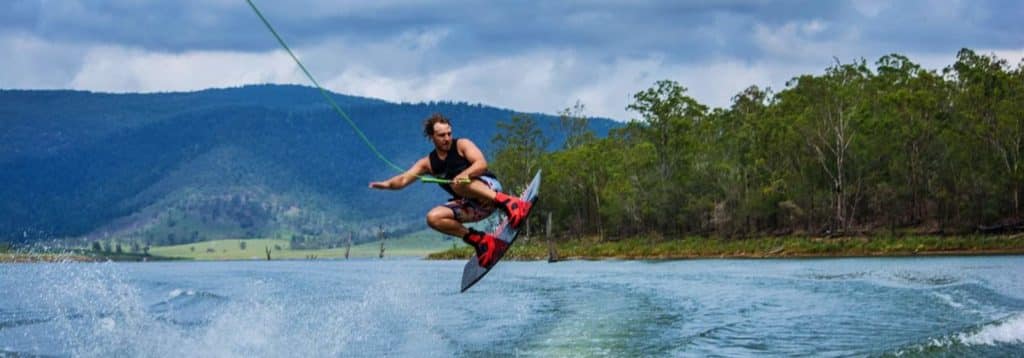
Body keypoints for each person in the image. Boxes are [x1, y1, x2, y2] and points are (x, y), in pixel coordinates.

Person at [368, 113, 531, 267]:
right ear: (431, 137)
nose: (447, 138)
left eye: (449, 133)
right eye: (441, 135)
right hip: (473, 206)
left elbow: (481, 164)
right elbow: (403, 180)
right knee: (433, 217)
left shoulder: (462, 145)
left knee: (457, 184)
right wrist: (386, 185)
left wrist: (464, 175)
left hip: (489, 190)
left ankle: (511, 204)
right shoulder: (428, 164)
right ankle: (480, 241)